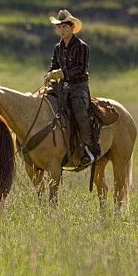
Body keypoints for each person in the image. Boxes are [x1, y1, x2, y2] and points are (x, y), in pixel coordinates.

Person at [44, 9, 96, 164]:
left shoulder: (82, 47)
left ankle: (88, 147)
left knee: (80, 111)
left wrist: (62, 73)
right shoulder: (57, 48)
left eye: (64, 26)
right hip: (61, 87)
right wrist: (50, 75)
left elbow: (81, 69)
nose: (61, 30)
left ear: (72, 28)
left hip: (78, 87)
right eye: (59, 27)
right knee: (43, 103)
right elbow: (53, 67)